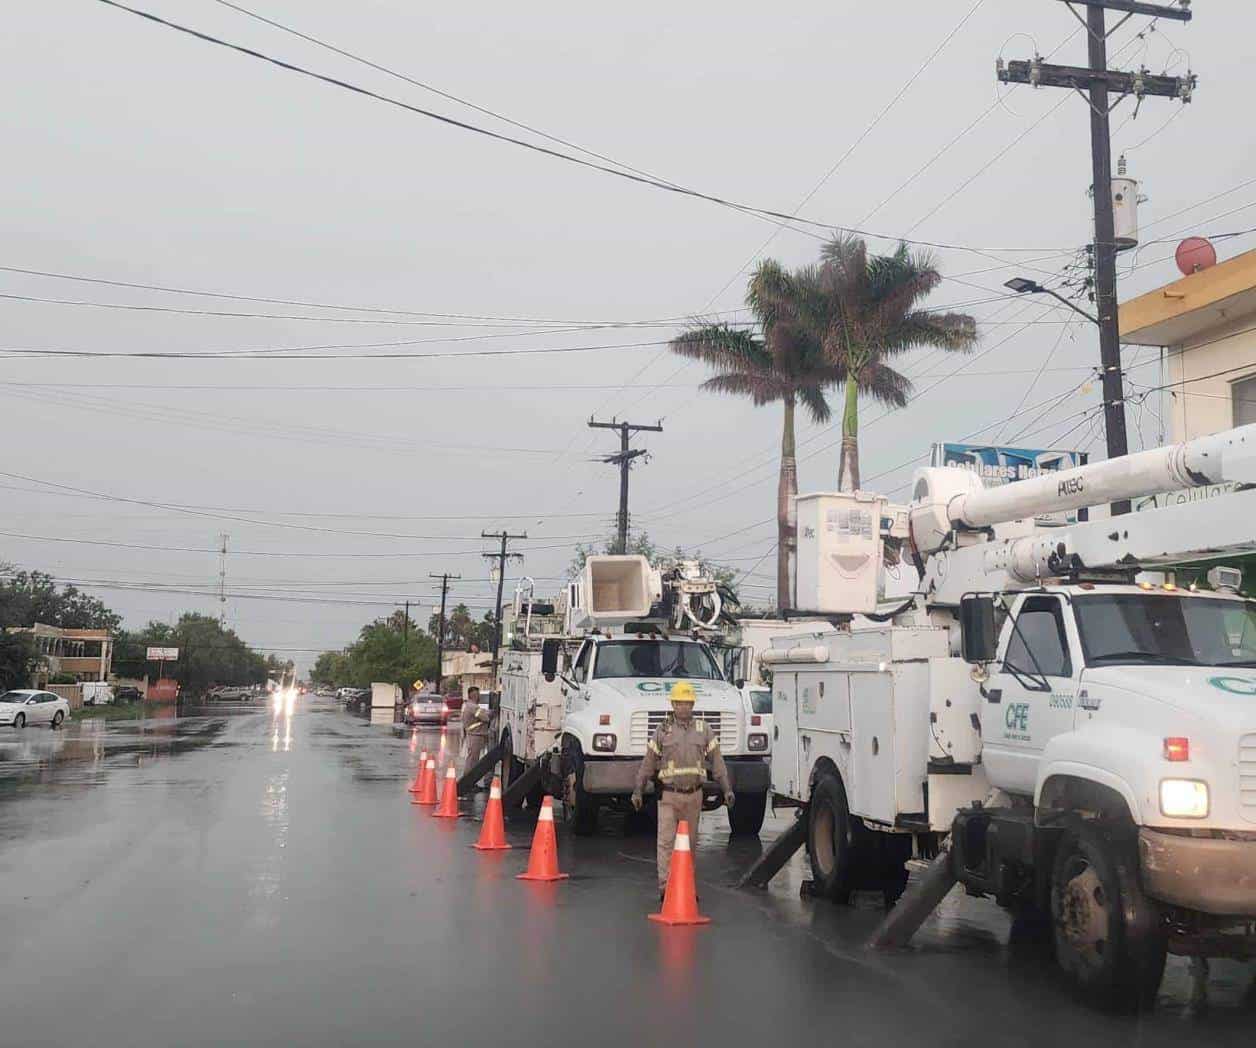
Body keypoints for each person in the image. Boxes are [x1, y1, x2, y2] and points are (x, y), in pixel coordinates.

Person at [631, 679, 734, 899]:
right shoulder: (663, 730)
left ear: (693, 705)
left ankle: (686, 886)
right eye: (679, 703)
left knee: (689, 846)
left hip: (694, 796)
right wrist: (638, 790)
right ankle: (665, 889)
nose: (683, 707)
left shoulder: (704, 730)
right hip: (669, 796)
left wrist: (727, 789)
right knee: (666, 844)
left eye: (687, 703)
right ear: (673, 705)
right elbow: (648, 763)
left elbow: (717, 763)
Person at [460, 685, 492, 779]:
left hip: (474, 735)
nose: (479, 697)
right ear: (474, 695)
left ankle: (469, 781)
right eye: (478, 695)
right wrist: (489, 714)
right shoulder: (473, 707)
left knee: (472, 759)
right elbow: (485, 718)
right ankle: (468, 782)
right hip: (475, 735)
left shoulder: (470, 706)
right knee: (472, 760)